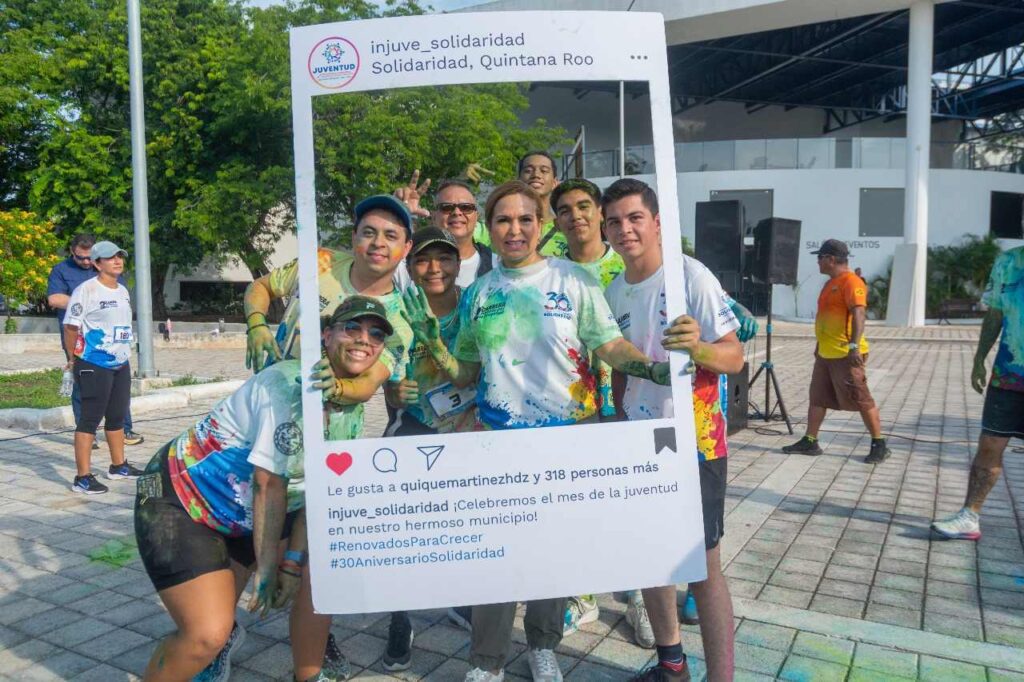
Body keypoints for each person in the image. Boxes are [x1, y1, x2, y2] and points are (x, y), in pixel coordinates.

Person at [402, 180, 673, 682]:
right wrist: (435, 350)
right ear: (489, 228)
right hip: (499, 441)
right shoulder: (481, 292)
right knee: (497, 555)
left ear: (542, 225)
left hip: (570, 436)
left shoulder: (573, 280)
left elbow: (609, 346)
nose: (515, 229)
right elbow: (466, 371)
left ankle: (544, 645)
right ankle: (487, 661)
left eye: (526, 219)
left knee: (554, 551)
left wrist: (655, 368)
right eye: (503, 220)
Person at [136, 296, 393, 682]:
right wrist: (269, 569)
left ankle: (272, 659)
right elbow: (269, 484)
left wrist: (291, 563)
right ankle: (208, 650)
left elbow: (318, 493)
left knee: (311, 565)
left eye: (375, 334)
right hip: (182, 501)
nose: (363, 340)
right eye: (351, 328)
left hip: (241, 514)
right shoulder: (290, 384)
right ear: (326, 335)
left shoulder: (350, 406)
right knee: (205, 634)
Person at [242, 195, 417, 669]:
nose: (378, 243)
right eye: (369, 231)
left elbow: (368, 385)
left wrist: (336, 386)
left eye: (391, 236)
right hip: (268, 422)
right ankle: (224, 633)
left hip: (331, 443)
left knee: (310, 561)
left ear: (405, 248)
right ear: (355, 237)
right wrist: (257, 324)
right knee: (253, 541)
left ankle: (311, 656)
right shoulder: (317, 262)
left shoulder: (400, 316)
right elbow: (259, 287)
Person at [598, 179, 742, 682]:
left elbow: (735, 357)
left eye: (635, 217)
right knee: (651, 560)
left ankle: (721, 677)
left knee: (701, 569)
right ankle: (672, 664)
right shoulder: (613, 288)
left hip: (695, 444)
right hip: (638, 443)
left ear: (657, 222)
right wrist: (616, 418)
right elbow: (620, 365)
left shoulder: (689, 276)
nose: (625, 229)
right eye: (614, 221)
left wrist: (698, 349)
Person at [548, 178, 627, 638]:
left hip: (626, 403)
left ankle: (637, 592)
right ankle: (584, 596)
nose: (576, 215)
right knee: (576, 505)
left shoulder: (627, 263)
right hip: (572, 410)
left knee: (624, 505)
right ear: (555, 220)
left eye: (584, 206)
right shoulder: (552, 272)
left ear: (599, 212)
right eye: (565, 209)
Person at [931, 245, 1024, 540]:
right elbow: (995, 314)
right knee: (989, 446)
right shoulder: (1008, 261)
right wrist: (978, 360)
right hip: (1009, 375)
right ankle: (969, 516)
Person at [782, 238, 891, 463]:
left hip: (845, 353)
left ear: (831, 259)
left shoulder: (851, 282)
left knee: (861, 398)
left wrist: (853, 346)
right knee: (817, 398)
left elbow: (859, 314)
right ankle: (810, 441)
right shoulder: (830, 282)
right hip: (825, 353)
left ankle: (879, 443)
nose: (818, 263)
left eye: (820, 258)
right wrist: (819, 345)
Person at [62, 241, 145, 494]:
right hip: (92, 362)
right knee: (89, 419)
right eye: (110, 258)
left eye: (120, 256)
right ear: (97, 263)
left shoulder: (122, 290)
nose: (118, 261)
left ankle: (118, 466)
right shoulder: (86, 290)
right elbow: (70, 327)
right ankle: (83, 477)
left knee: (118, 415)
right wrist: (72, 358)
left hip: (120, 362)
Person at [47, 233, 143, 448]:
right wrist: (91, 301)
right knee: (84, 388)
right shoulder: (62, 271)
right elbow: (54, 299)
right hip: (81, 340)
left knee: (118, 389)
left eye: (90, 257)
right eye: (81, 258)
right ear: (72, 252)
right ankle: (87, 433)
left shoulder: (109, 270)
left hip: (114, 344)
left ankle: (124, 429)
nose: (87, 262)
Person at [385, 227, 478, 437]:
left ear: (458, 264)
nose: (434, 268)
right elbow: (388, 383)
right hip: (417, 431)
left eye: (444, 258)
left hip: (477, 430)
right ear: (408, 268)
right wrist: (394, 393)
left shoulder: (475, 304)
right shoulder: (395, 314)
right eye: (422, 260)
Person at [394, 174, 494, 288]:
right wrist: (396, 214)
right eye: (446, 207)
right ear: (433, 216)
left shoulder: (500, 265)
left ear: (477, 216)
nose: (457, 212)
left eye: (466, 207)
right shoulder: (405, 266)